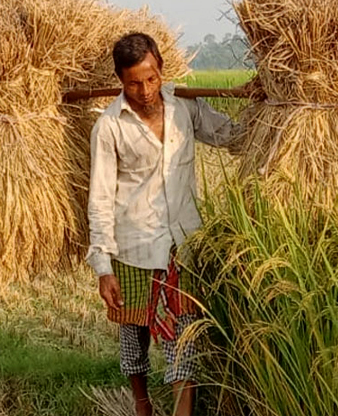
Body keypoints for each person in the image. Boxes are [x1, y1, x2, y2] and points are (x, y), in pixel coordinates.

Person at [87, 33, 245, 416]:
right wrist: (103, 267)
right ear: (120, 80)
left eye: (152, 78)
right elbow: (101, 199)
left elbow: (230, 136)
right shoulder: (109, 126)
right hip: (134, 246)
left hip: (183, 243)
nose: (145, 90)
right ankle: (142, 406)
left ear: (161, 69)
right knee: (133, 335)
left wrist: (263, 99)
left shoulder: (184, 109)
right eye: (134, 83)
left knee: (183, 335)